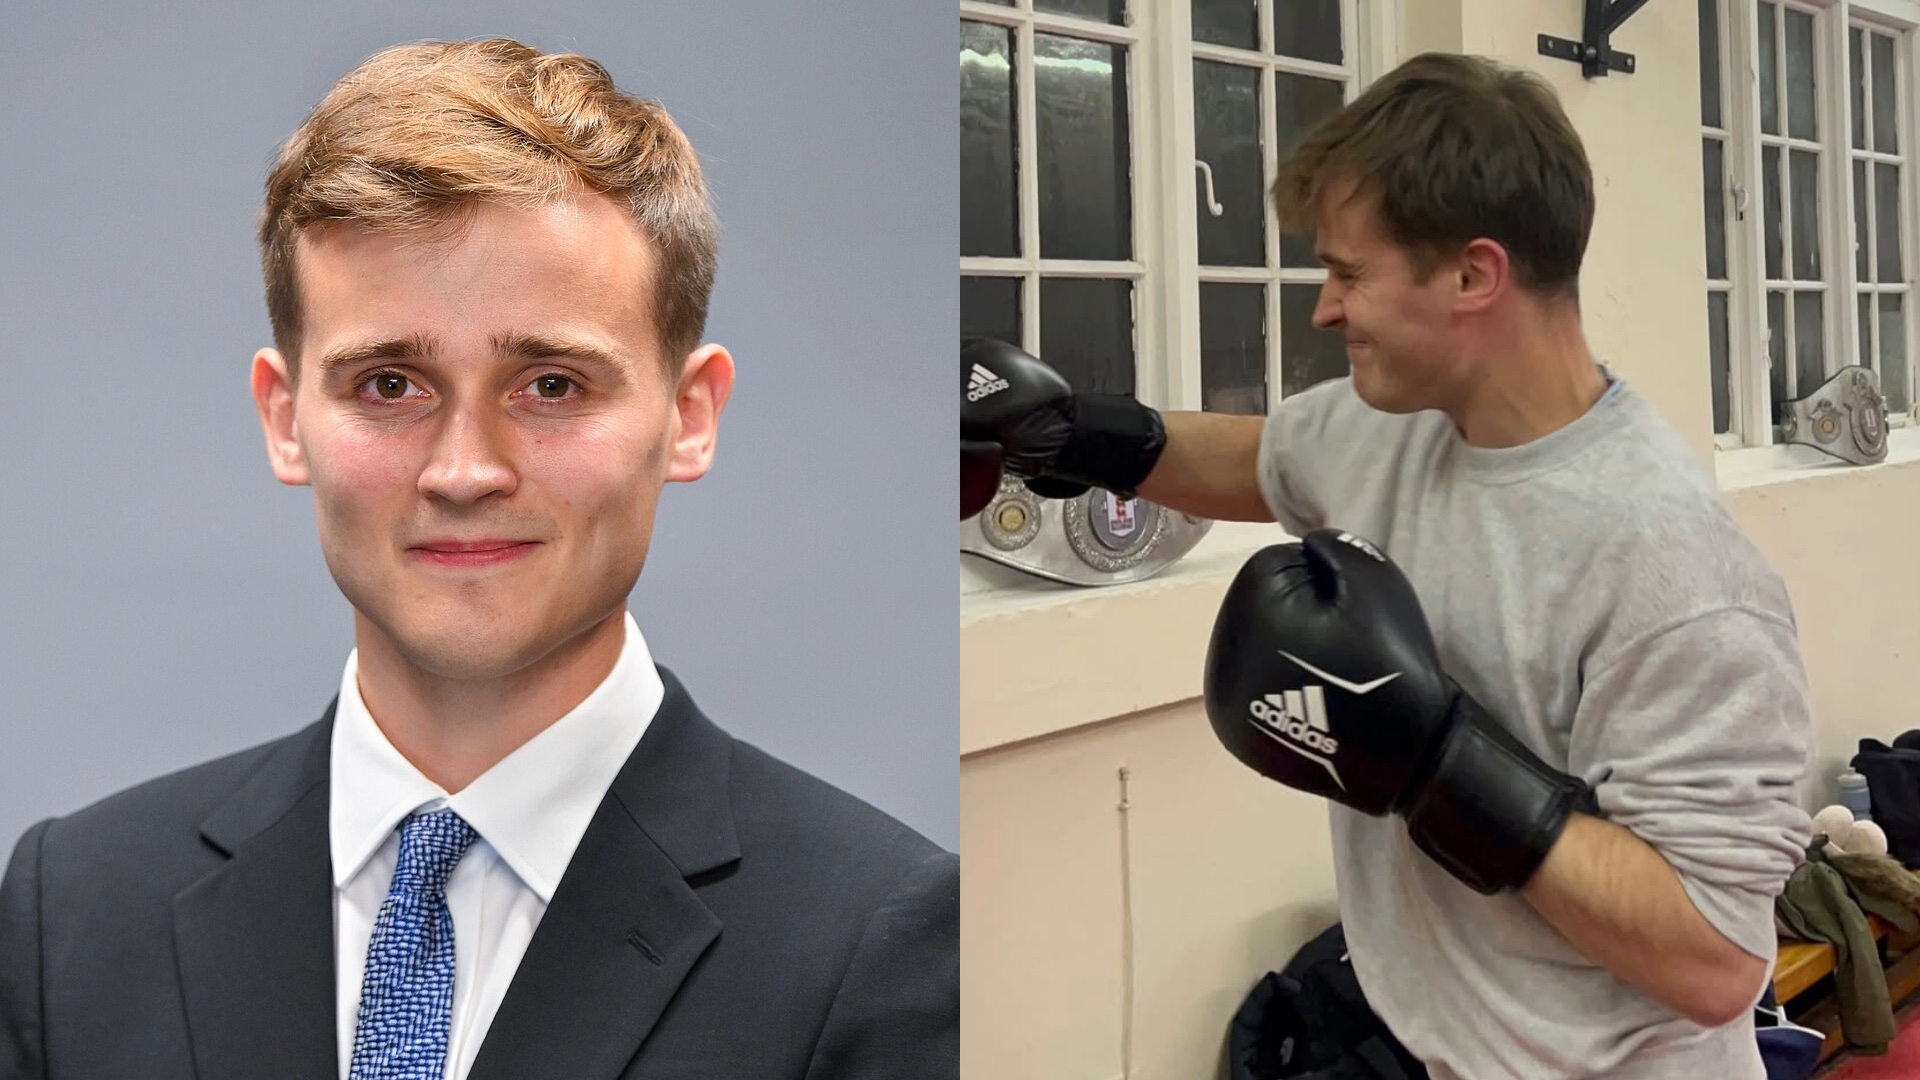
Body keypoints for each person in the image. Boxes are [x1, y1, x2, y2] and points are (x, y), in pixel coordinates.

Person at [1, 38, 956, 1080]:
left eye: (551, 384)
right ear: (285, 420)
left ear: (689, 416)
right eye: (387, 385)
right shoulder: (72, 909)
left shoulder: (881, 940)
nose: (463, 472)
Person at [962, 52, 1813, 1080]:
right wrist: (1069, 434)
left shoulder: (1675, 569)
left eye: (1349, 274)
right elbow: (1252, 456)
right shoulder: (1389, 426)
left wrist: (1436, 764)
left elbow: (1718, 961)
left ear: (1471, 275)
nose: (1324, 309)